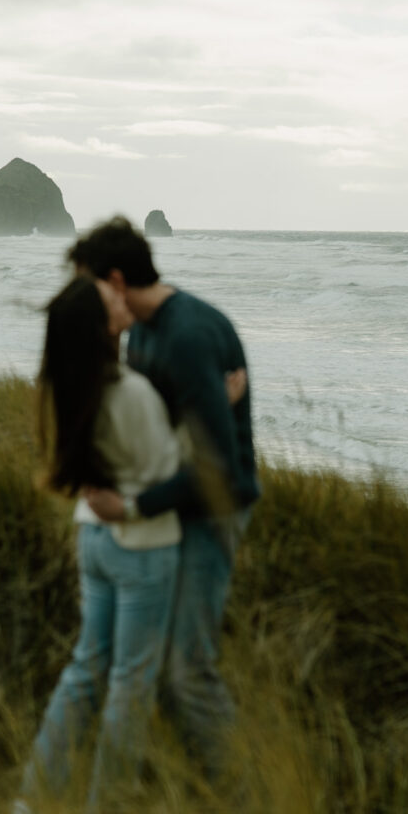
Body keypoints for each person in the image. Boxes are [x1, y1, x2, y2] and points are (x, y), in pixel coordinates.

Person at [13, 275, 246, 812]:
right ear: (102, 325)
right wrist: (220, 406)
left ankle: (30, 799)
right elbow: (171, 469)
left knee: (84, 670)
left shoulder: (72, 384)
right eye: (109, 298)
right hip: (140, 548)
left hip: (92, 537)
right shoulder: (130, 392)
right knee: (130, 686)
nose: (121, 296)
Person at [69, 217, 260, 783]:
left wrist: (132, 508)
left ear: (118, 280)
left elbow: (217, 470)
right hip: (169, 504)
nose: (85, 299)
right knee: (152, 663)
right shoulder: (140, 331)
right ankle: (180, 779)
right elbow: (156, 426)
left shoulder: (187, 335)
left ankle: (246, 790)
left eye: (90, 285)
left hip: (211, 509)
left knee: (186, 668)